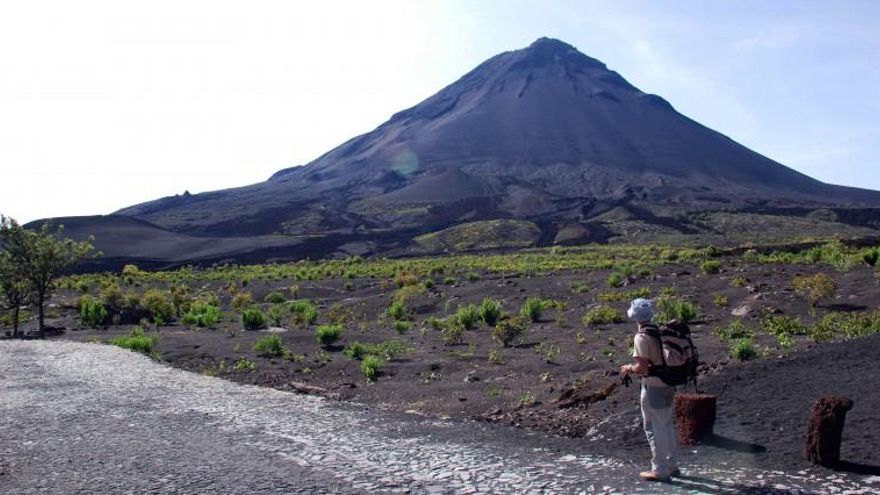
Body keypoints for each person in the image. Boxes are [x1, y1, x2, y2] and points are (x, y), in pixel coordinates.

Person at [620, 298, 680, 482]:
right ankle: (672, 465)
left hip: (653, 385)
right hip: (669, 383)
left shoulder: (641, 337)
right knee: (667, 424)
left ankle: (659, 469)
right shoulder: (659, 332)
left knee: (654, 427)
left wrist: (627, 368)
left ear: (635, 317)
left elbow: (642, 367)